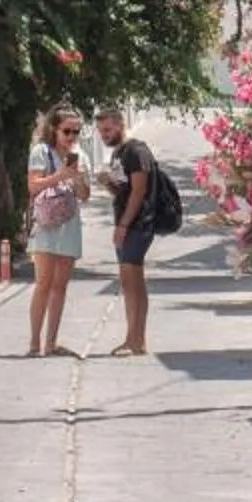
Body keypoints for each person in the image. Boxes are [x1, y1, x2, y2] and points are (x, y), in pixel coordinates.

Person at [24, 103, 91, 356]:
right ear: (54, 129)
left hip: (69, 224)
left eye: (77, 132)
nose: (72, 137)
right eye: (67, 131)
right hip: (46, 224)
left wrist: (78, 178)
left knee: (60, 286)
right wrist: (60, 175)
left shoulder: (81, 156)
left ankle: (51, 342)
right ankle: (34, 342)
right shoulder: (41, 152)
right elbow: (33, 187)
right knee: (43, 283)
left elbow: (85, 196)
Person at [96, 104, 157, 357]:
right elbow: (123, 191)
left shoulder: (136, 151)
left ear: (121, 125)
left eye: (108, 129)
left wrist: (123, 225)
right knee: (128, 281)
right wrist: (108, 183)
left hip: (138, 223)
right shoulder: (119, 154)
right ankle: (132, 339)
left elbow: (139, 190)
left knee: (133, 280)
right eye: (101, 131)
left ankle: (137, 340)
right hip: (127, 222)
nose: (104, 135)